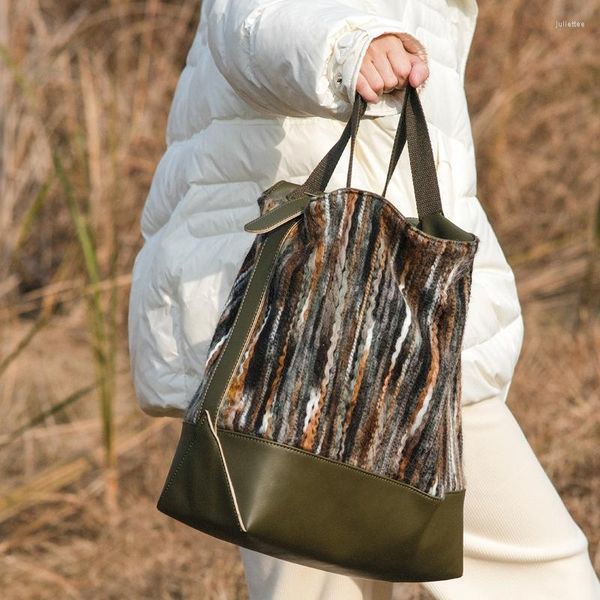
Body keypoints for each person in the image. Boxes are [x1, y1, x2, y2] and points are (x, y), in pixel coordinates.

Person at [127, 1, 600, 598]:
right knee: (546, 575)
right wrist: (349, 46)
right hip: (307, 328)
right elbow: (248, 19)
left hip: (350, 314)